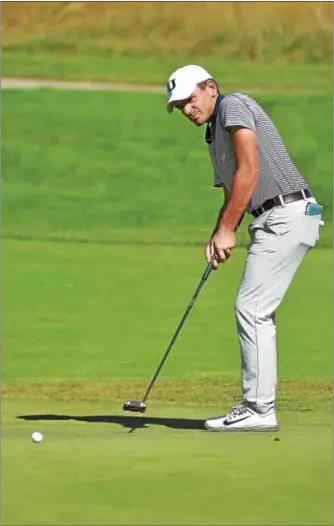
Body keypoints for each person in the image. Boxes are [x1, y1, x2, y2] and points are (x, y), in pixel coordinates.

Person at [165, 64, 324, 432]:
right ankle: (259, 406)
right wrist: (220, 232)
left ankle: (259, 408)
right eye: (180, 106)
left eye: (190, 99)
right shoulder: (212, 137)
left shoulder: (232, 105)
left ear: (211, 88)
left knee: (251, 307)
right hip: (271, 218)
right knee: (256, 307)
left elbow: (249, 171)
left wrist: (227, 229)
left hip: (285, 211)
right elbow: (231, 191)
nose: (188, 110)